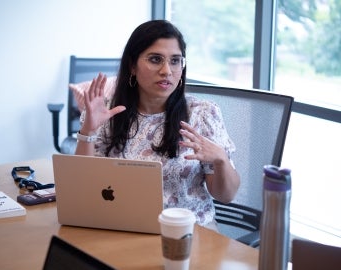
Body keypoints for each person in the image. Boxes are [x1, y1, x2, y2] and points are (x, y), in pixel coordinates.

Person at [75, 20, 240, 230]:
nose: (166, 71)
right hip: (120, 226)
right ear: (132, 66)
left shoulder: (202, 114)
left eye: (175, 61)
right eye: (155, 59)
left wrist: (221, 160)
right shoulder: (107, 112)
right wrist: (88, 130)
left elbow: (226, 195)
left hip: (188, 233)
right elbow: (83, 186)